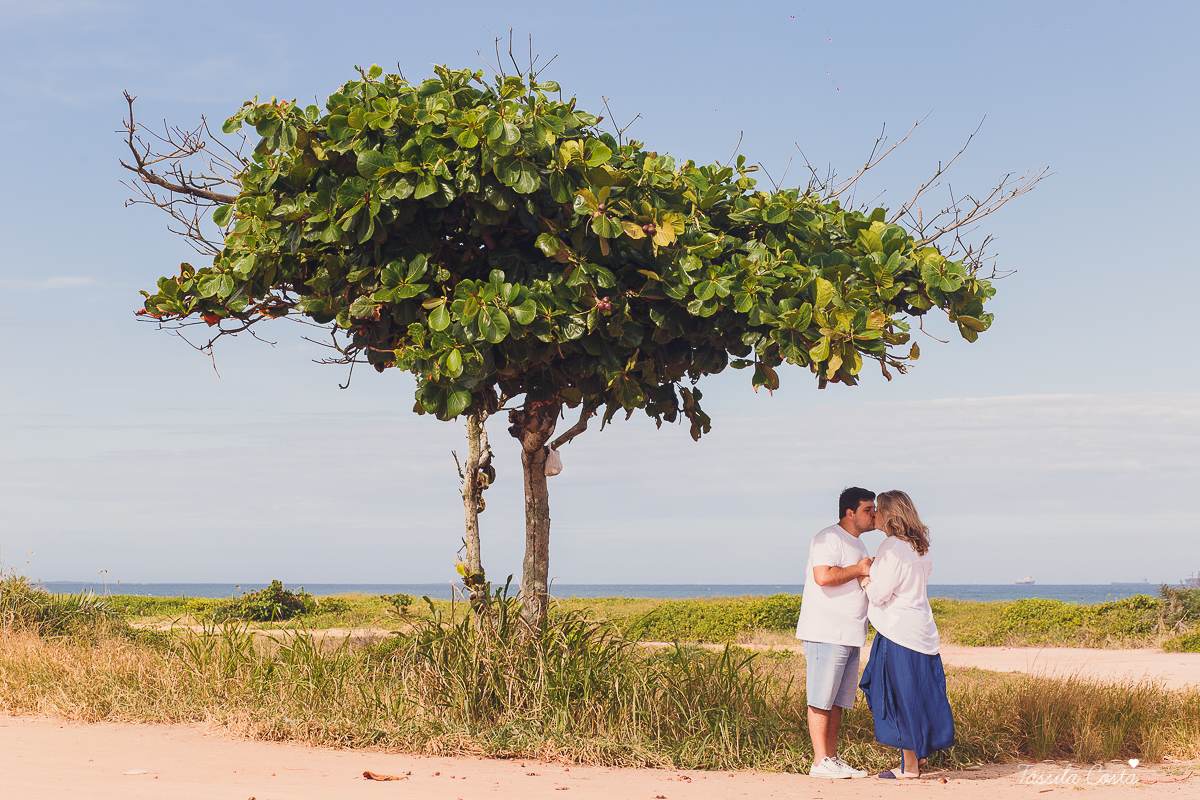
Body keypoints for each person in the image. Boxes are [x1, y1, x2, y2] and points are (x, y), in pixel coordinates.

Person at [857, 490, 955, 779]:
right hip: (921, 629)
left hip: (897, 632)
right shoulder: (920, 547)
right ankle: (917, 756)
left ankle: (910, 767)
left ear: (890, 515)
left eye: (878, 510)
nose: (873, 514)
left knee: (897, 696)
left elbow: (879, 592)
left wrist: (864, 578)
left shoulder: (892, 546)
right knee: (918, 694)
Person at [795, 487, 876, 779]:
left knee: (838, 701)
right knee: (821, 698)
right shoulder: (828, 538)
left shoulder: (859, 545)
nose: (874, 514)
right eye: (868, 509)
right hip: (826, 631)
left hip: (849, 634)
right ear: (850, 513)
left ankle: (831, 758)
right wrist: (858, 569)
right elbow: (823, 576)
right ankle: (819, 761)